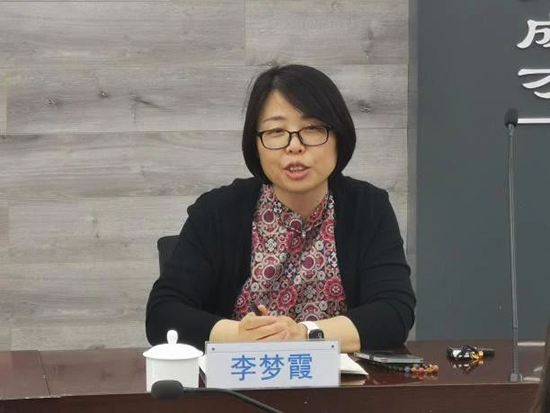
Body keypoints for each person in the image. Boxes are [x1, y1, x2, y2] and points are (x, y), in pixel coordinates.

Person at [146, 64, 416, 353]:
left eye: (312, 129)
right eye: (276, 131)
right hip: (239, 379)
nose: (295, 146)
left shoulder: (368, 207)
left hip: (340, 381)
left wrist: (305, 334)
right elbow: (163, 315)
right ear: (256, 144)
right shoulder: (217, 212)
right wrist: (241, 335)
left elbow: (394, 312)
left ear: (339, 136)